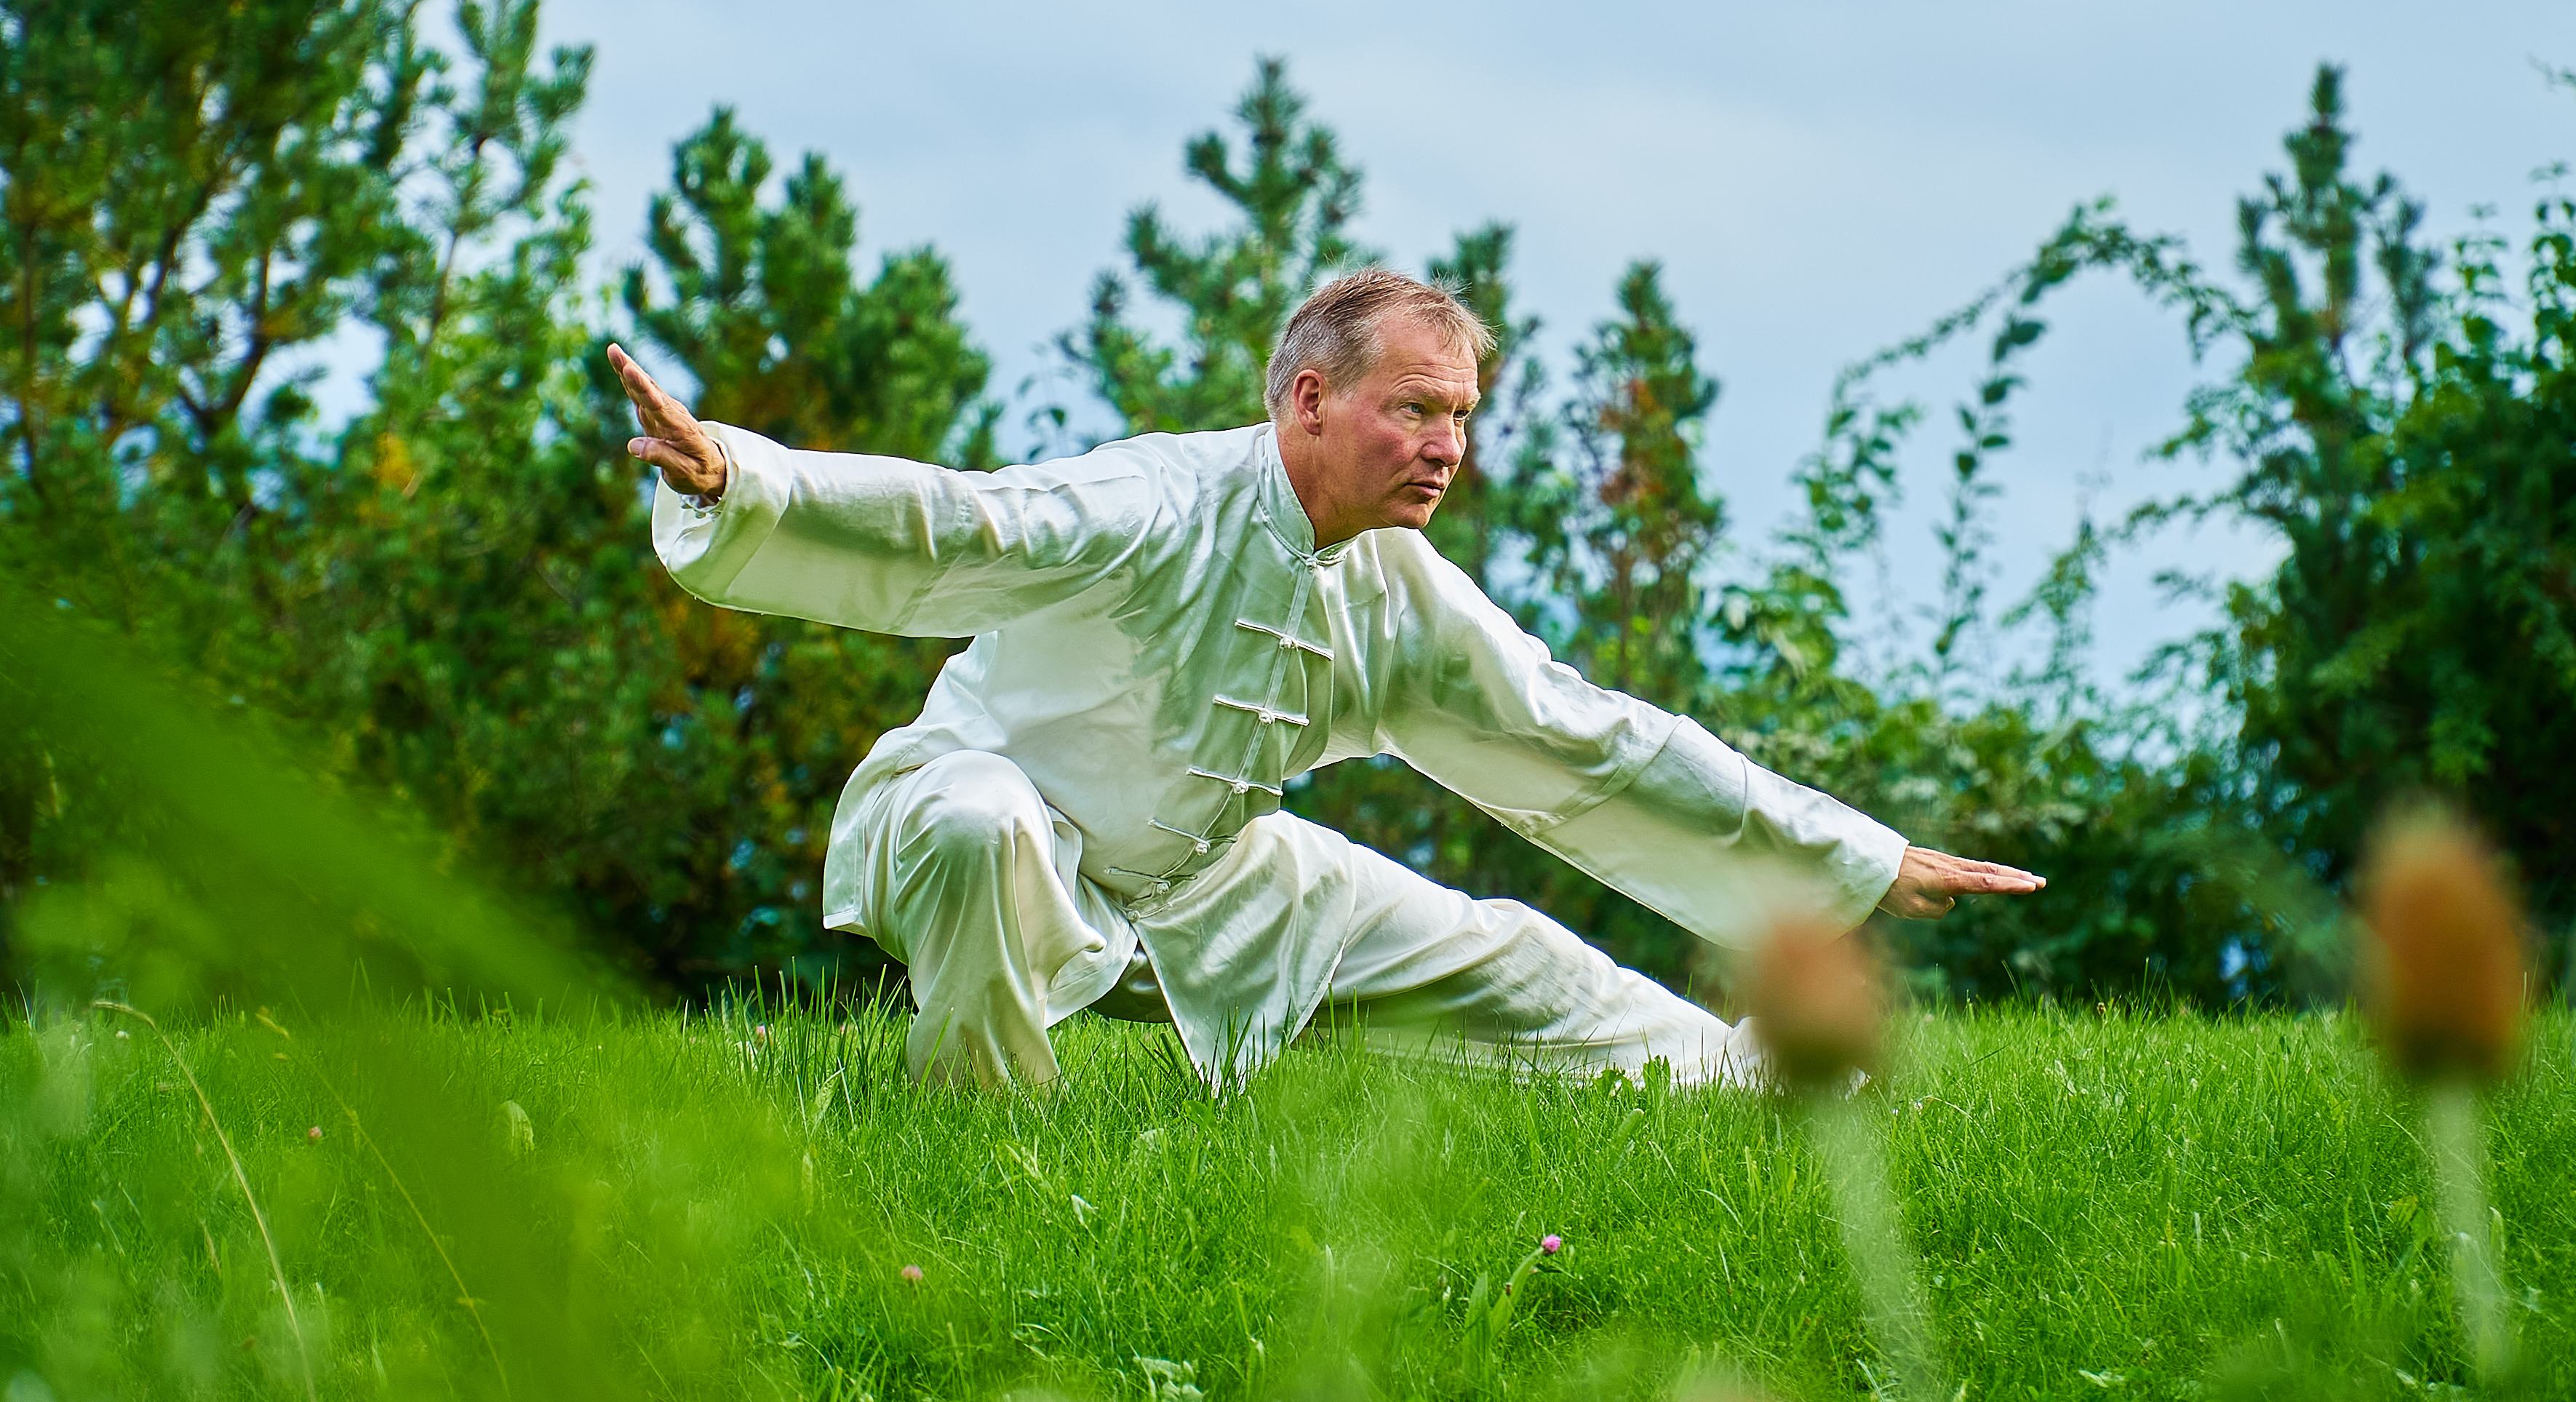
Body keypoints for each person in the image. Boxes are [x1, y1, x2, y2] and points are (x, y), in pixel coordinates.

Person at [609, 268, 2042, 1089]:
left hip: (1205, 877)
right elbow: (965, 519)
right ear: (1307, 400)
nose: (1443, 445)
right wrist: (750, 479)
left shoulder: (1399, 597)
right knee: (988, 819)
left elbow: (1587, 741)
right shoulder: (1158, 497)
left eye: (1461, 416)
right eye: (1410, 408)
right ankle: (975, 1143)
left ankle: (1757, 1089)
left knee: (1519, 961)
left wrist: (1857, 856)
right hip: (986, 818)